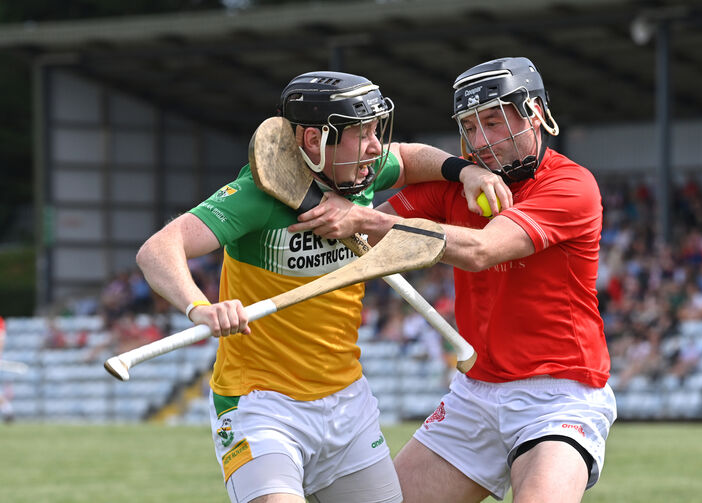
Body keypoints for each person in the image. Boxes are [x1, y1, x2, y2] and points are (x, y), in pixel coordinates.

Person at [134, 70, 505, 503]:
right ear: (315, 141)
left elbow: (405, 158)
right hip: (260, 407)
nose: (374, 146)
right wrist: (200, 307)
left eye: (375, 130)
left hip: (349, 405)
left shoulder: (360, 176)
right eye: (361, 132)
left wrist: (463, 172)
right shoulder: (258, 195)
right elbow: (159, 248)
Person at [290, 57, 617, 503]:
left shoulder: (571, 186)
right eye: (470, 126)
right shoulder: (456, 182)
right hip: (474, 395)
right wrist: (312, 216)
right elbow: (365, 232)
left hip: (558, 396)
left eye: (493, 122)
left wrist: (361, 220)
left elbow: (482, 250)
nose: (481, 141)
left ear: (535, 113)